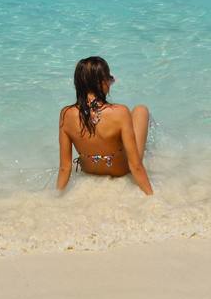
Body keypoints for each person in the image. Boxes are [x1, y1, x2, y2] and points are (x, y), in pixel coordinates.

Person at [56, 56, 153, 195]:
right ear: (103, 83)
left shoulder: (66, 114)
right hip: (121, 170)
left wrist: (57, 196)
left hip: (89, 170)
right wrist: (151, 196)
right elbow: (135, 166)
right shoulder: (120, 112)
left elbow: (65, 168)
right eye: (109, 78)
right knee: (140, 110)